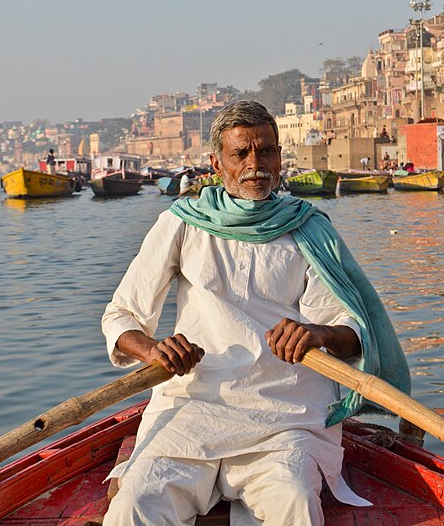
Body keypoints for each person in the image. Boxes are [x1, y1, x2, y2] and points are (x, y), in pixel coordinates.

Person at [102, 101, 410, 526]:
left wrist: (315, 335)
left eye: (266, 152)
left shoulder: (309, 229)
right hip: (193, 407)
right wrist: (154, 350)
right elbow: (121, 316)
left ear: (280, 157)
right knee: (134, 503)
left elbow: (352, 331)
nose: (255, 164)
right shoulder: (182, 222)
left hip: (287, 416)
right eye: (241, 154)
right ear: (216, 163)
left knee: (296, 503)